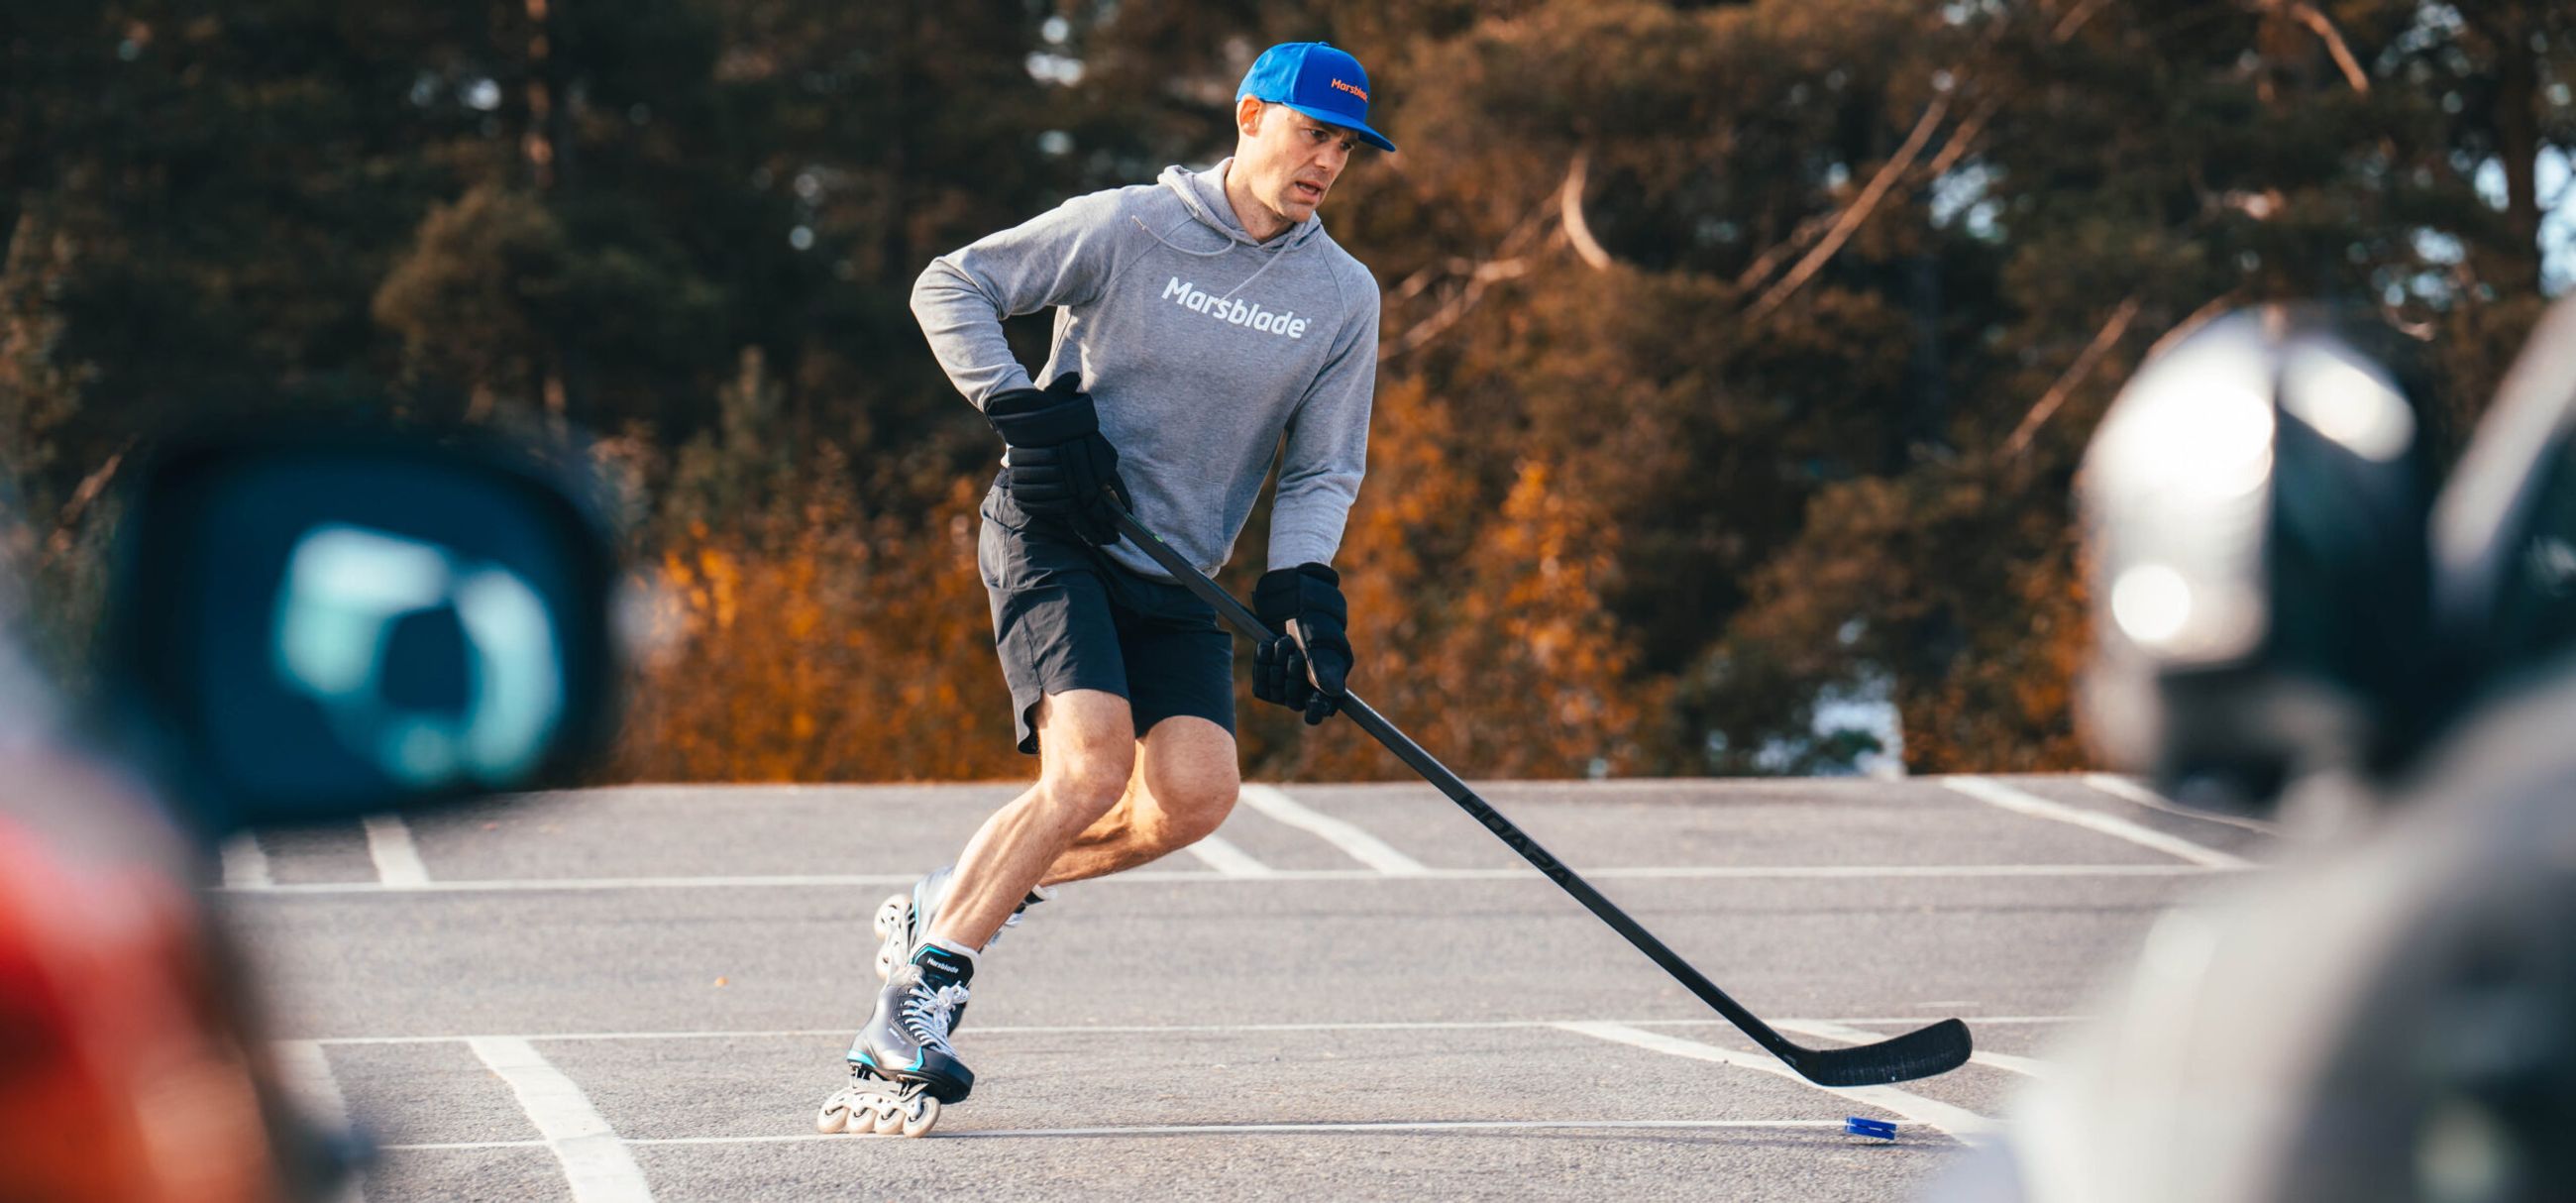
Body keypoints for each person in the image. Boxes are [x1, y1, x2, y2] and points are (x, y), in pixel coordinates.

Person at [816, 41, 1394, 1138]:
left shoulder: (1340, 294)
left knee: (1192, 799)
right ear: (1247, 115)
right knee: (1090, 765)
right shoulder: (1133, 224)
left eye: (1346, 146)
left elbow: (1322, 465)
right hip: (1055, 532)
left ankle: (947, 897)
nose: (1326, 160)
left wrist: (1302, 589)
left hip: (1178, 565)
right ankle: (910, 1011)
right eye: (1311, 132)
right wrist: (1020, 409)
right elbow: (954, 282)